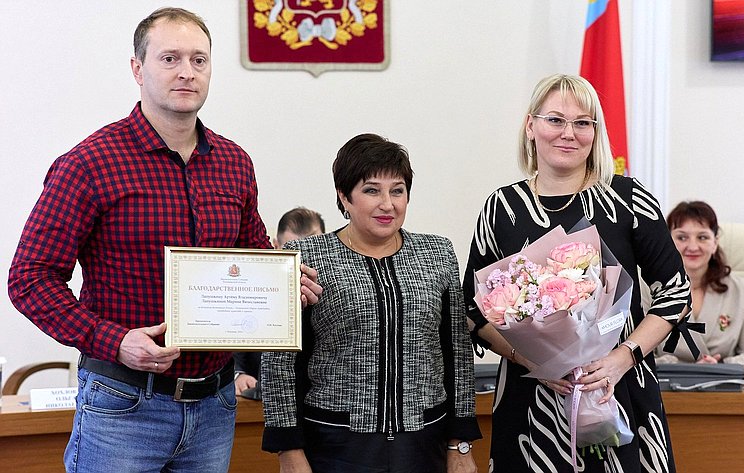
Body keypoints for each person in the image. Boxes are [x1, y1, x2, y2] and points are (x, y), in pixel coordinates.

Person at [7, 8, 321, 473]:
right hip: (123, 404)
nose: (186, 72)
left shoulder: (234, 162)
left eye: (199, 60)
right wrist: (113, 341)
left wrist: (285, 285)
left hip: (215, 404)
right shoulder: (90, 163)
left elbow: (256, 258)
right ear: (137, 68)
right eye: (170, 58)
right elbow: (29, 279)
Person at [463, 74, 692, 472]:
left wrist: (623, 357)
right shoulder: (501, 207)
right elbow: (473, 309)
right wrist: (532, 361)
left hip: (618, 392)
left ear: (595, 131)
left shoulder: (627, 198)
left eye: (583, 122)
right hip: (530, 404)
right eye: (555, 120)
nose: (569, 133)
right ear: (530, 126)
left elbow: (675, 294)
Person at [261, 133, 481, 473]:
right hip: (336, 442)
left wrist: (460, 443)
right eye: (371, 190)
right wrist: (288, 450)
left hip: (424, 441)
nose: (387, 204)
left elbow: (457, 354)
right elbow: (279, 361)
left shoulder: (437, 253)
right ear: (344, 197)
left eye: (397, 190)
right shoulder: (306, 256)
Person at [655, 201, 744, 384]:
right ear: (668, 242)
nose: (692, 246)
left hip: (723, 392)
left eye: (703, 237)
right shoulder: (647, 289)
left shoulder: (742, 291)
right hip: (664, 394)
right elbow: (633, 357)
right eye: (682, 237)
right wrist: (677, 368)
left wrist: (720, 366)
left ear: (715, 243)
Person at [234, 207, 326, 395]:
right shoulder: (253, 290)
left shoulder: (340, 288)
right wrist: (238, 375)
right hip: (262, 399)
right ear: (276, 246)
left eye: (312, 251)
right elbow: (231, 340)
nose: (304, 263)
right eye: (295, 253)